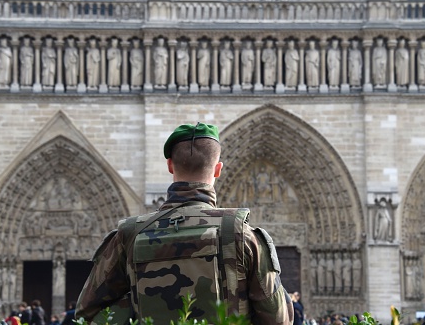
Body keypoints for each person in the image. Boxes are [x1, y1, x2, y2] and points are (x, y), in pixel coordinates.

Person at [76, 122, 294, 325]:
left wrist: (140, 306)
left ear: (170, 165)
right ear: (218, 169)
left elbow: (88, 314)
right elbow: (279, 319)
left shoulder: (129, 235)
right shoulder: (243, 236)